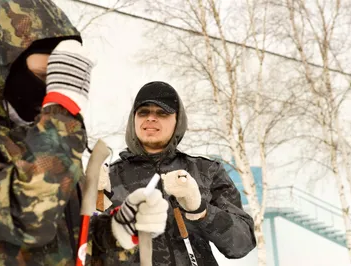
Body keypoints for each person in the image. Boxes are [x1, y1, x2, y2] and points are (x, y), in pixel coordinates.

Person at [0, 1, 168, 265]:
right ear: (1, 63)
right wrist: (63, 110)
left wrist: (116, 232)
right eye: (42, 75)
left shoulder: (43, 132)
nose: (51, 95)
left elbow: (64, 238)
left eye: (59, 80)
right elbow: (28, 217)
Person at [105, 81, 257, 265]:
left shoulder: (205, 171)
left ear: (177, 121)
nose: (151, 118)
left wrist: (200, 210)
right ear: (133, 120)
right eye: (143, 112)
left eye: (162, 113)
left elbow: (241, 245)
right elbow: (82, 249)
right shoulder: (108, 178)